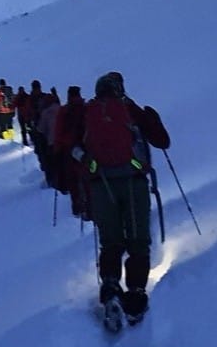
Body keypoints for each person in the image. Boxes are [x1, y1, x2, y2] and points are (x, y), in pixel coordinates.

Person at [72, 71, 170, 325]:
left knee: (111, 241)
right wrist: (152, 118)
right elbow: (162, 141)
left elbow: (72, 147)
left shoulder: (87, 112)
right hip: (133, 182)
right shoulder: (130, 109)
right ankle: (135, 295)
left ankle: (111, 289)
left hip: (101, 184)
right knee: (137, 240)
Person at [53, 86, 89, 217]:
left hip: (69, 149)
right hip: (86, 148)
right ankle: (90, 209)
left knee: (73, 180)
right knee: (86, 178)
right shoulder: (86, 108)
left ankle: (77, 207)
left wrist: (57, 150)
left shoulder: (64, 111)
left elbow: (58, 131)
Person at [37, 94, 61, 187]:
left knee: (52, 164)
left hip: (51, 143)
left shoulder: (46, 112)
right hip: (64, 143)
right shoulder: (62, 109)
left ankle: (53, 183)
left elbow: (41, 129)